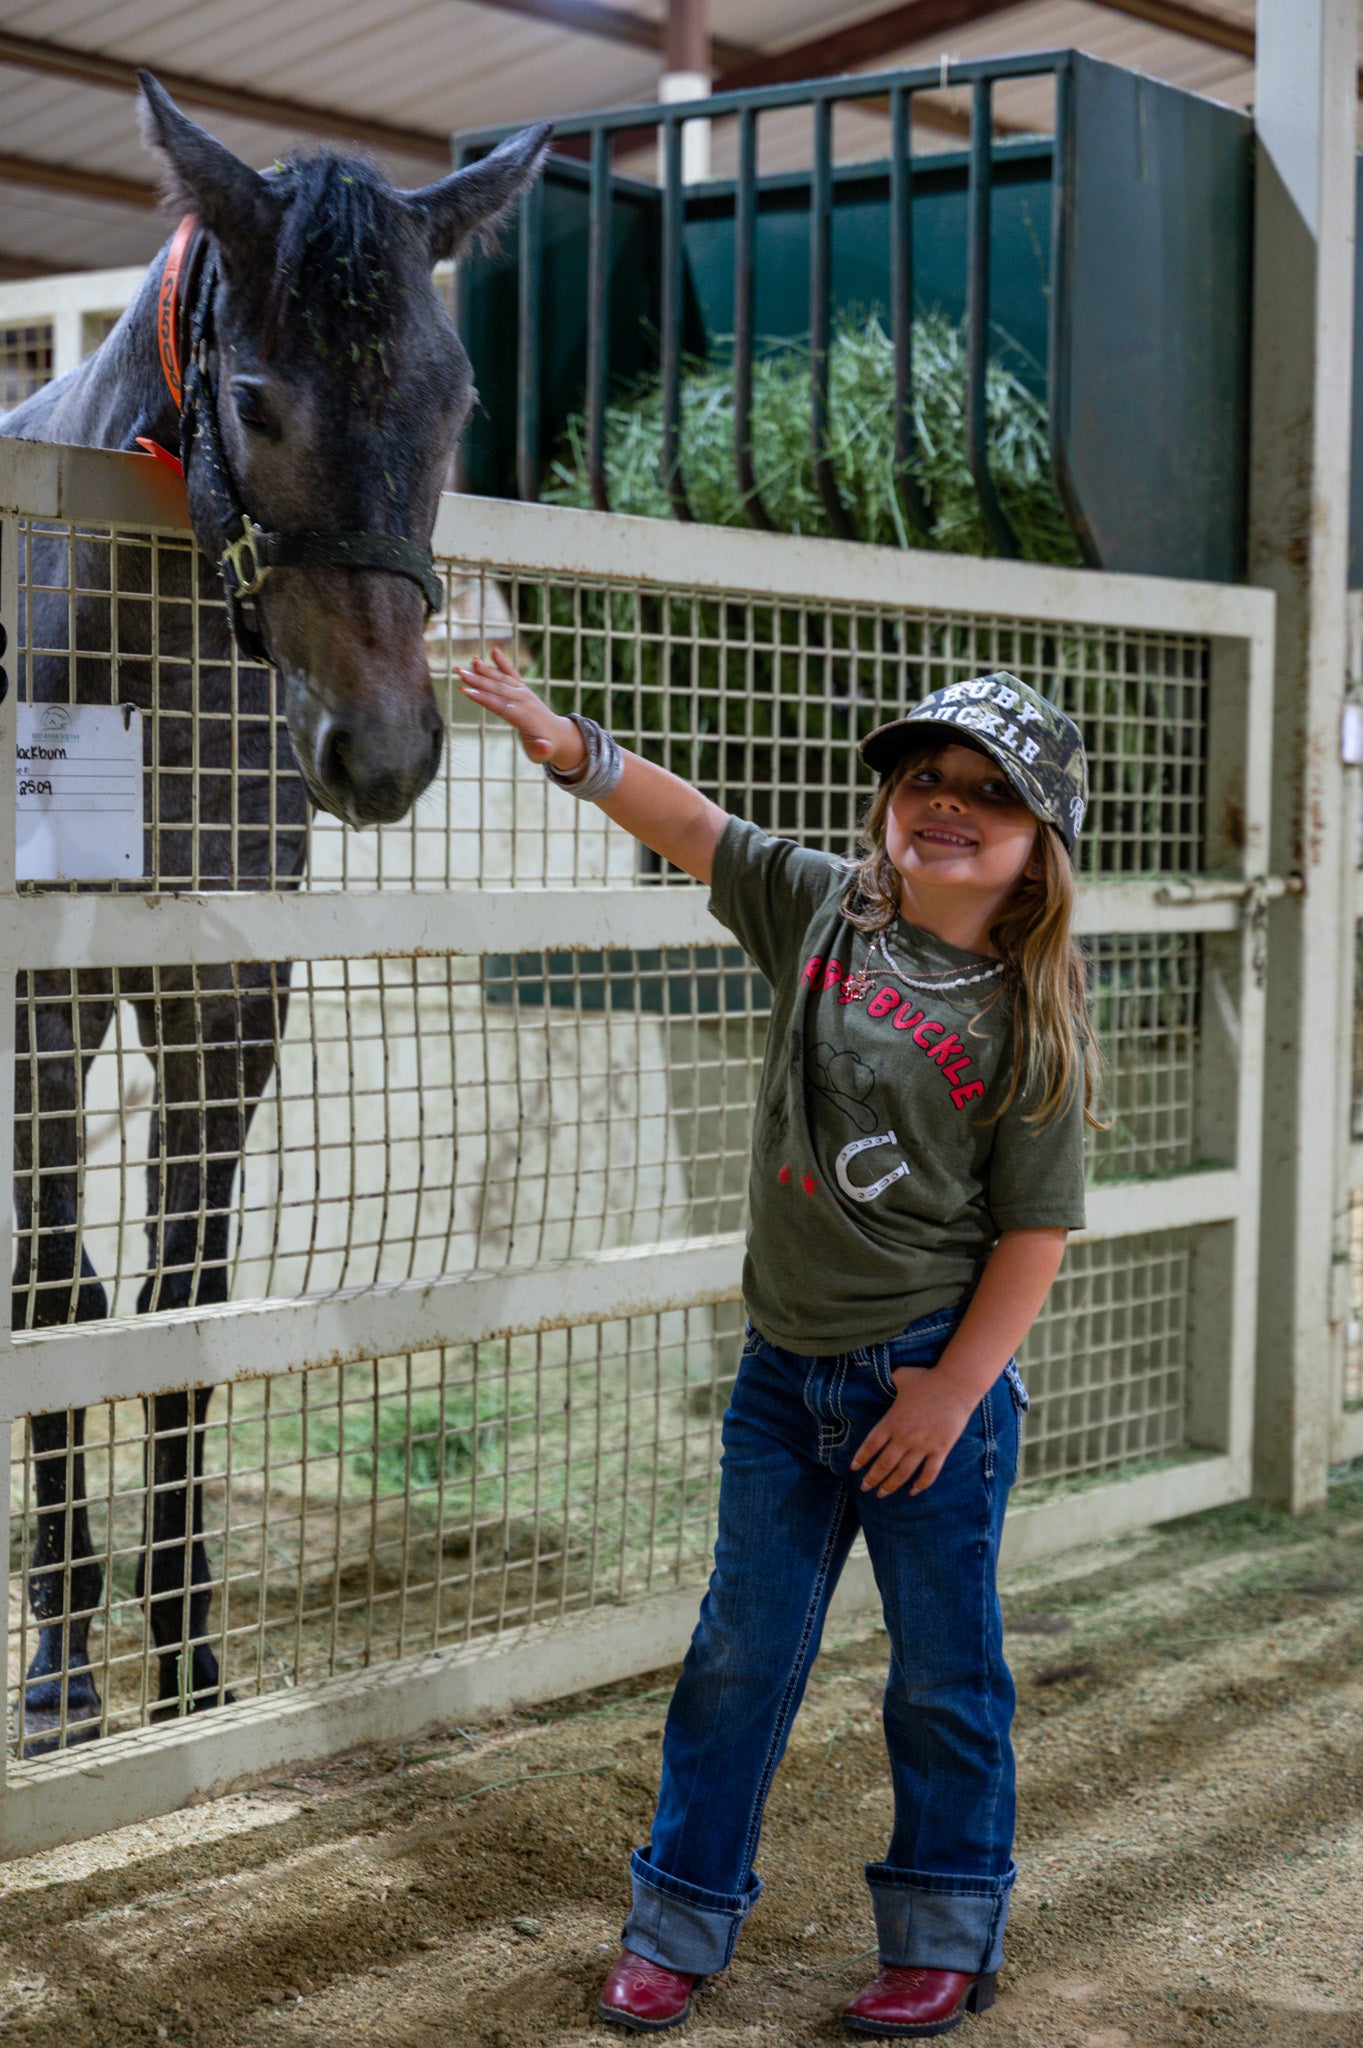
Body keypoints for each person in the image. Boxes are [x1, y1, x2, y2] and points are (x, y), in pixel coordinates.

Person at [455, 647, 1097, 2040]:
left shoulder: (1029, 1023)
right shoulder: (820, 910)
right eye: (926, 777)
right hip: (780, 1380)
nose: (945, 804)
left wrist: (951, 1395)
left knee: (943, 1673)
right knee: (740, 1655)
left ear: (1037, 851)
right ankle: (677, 1924)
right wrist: (565, 742)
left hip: (927, 1386)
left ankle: (942, 1931)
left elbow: (1034, 1237)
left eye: (988, 794)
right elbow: (693, 826)